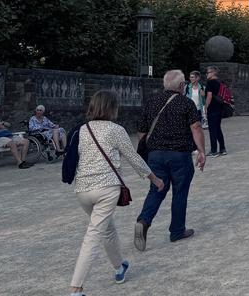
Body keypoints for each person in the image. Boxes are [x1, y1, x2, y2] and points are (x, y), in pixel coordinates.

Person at [70, 90, 164, 296]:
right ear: (112, 107)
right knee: (94, 235)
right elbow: (134, 157)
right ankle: (76, 288)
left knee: (107, 228)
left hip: (83, 189)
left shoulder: (82, 129)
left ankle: (119, 267)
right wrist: (154, 179)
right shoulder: (116, 129)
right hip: (106, 188)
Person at [134, 70, 206, 251]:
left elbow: (142, 131)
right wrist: (201, 151)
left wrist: (146, 150)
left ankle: (144, 220)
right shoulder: (186, 103)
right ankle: (177, 230)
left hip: (155, 154)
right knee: (180, 192)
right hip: (180, 154)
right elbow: (196, 127)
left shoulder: (151, 102)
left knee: (156, 189)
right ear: (182, 86)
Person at [204, 66, 227, 156]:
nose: (206, 74)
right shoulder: (220, 82)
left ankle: (214, 150)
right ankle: (222, 148)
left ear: (213, 73)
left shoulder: (210, 83)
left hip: (212, 108)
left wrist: (205, 107)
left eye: (208, 72)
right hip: (220, 108)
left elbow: (209, 96)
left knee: (212, 130)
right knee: (218, 129)